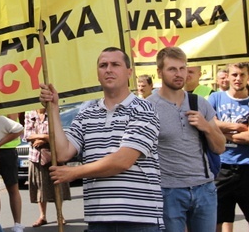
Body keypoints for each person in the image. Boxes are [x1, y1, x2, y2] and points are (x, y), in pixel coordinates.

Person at [39, 46, 164, 231]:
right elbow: (63, 153)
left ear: (129, 72)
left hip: (139, 219)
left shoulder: (144, 109)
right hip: (98, 217)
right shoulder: (86, 114)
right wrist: (54, 109)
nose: (109, 69)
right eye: (103, 65)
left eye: (115, 64)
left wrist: (74, 172)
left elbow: (123, 160)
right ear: (97, 74)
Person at [147, 47, 225, 231]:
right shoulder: (147, 107)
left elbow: (220, 147)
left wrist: (206, 127)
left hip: (204, 188)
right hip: (168, 191)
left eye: (182, 68)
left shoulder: (199, 102)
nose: (179, 74)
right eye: (172, 69)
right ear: (159, 72)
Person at [209, 63, 249, 232]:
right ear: (228, 76)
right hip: (221, 166)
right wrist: (239, 127)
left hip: (247, 166)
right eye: (234, 75)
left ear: (248, 77)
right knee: (217, 219)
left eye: (242, 75)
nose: (238, 79)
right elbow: (210, 125)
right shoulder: (216, 98)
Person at [23, 107, 71, 228]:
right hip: (36, 156)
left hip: (53, 155)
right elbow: (27, 135)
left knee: (57, 185)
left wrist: (43, 138)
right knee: (39, 185)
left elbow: (56, 134)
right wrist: (44, 136)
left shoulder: (53, 111)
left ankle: (60, 214)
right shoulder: (30, 113)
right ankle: (42, 216)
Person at [0, 113, 24, 232]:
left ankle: (17, 223)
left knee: (13, 188)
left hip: (7, 151)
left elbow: (14, 128)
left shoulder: (7, 103)